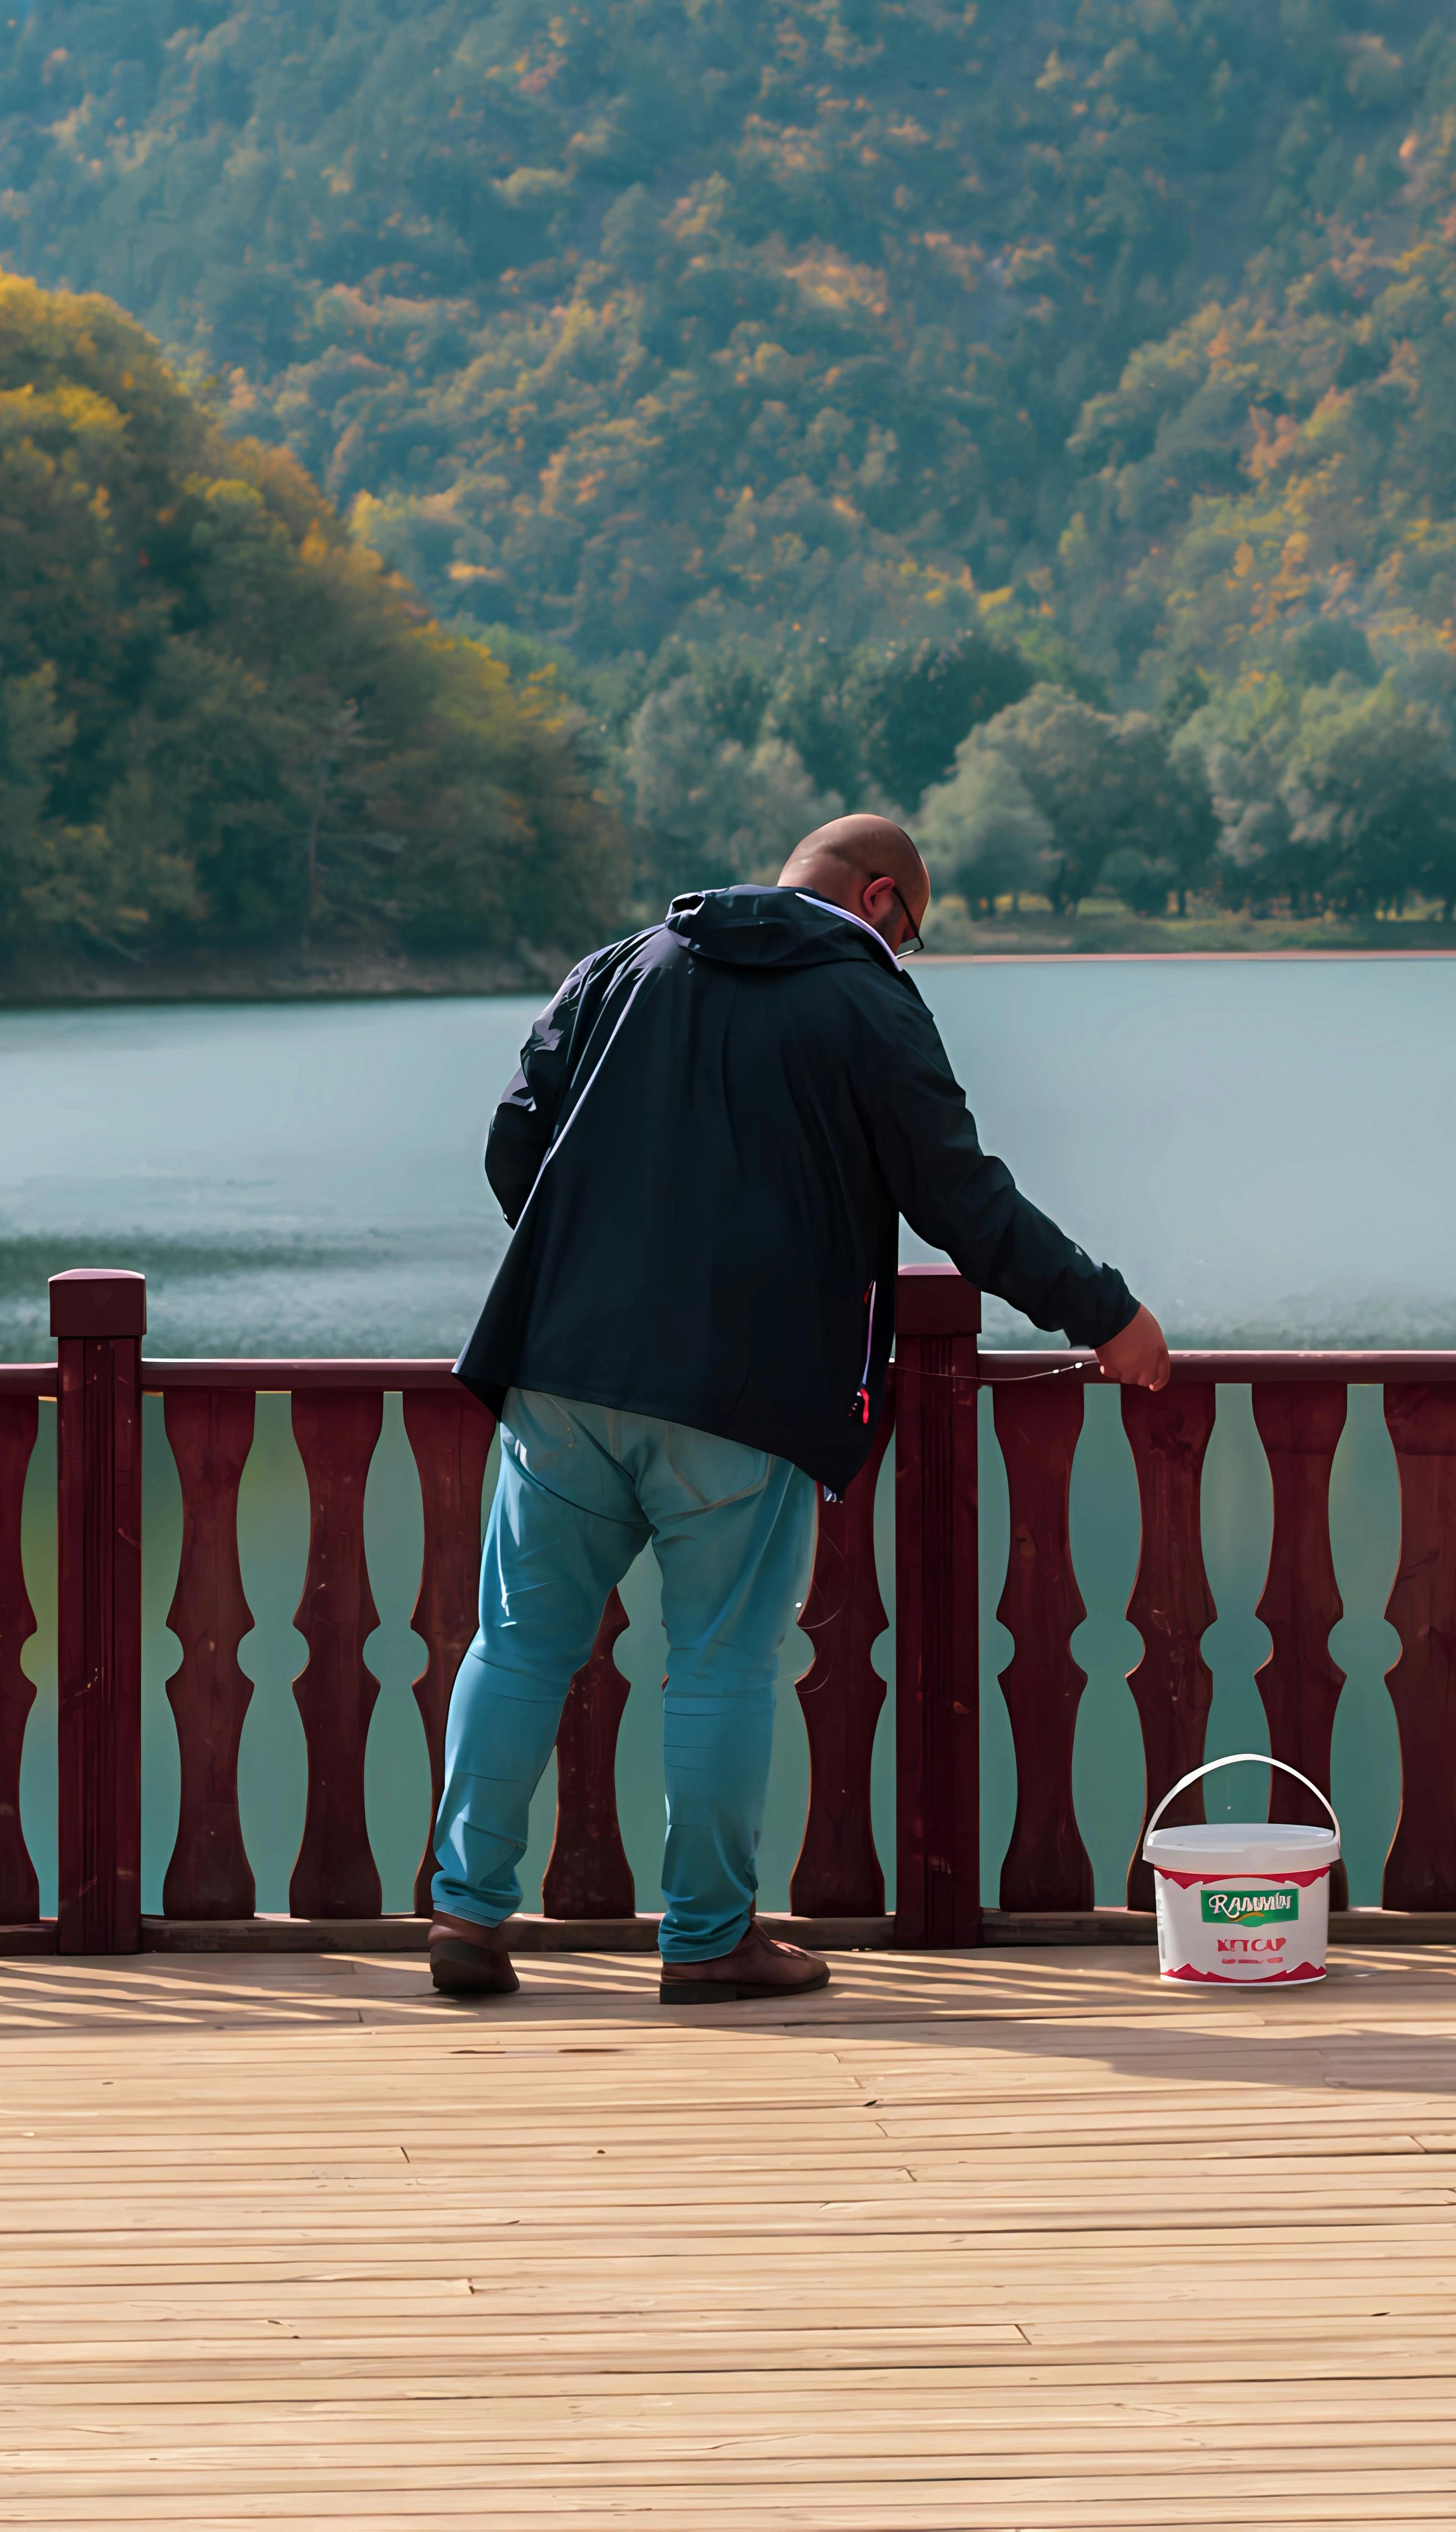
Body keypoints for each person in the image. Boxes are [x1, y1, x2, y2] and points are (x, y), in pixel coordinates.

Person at [426, 809, 1170, 2005]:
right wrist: (1107, 1314)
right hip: (744, 1395)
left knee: (517, 1646)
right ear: (879, 898)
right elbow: (963, 1204)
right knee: (718, 1667)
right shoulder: (867, 1007)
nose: (905, 955)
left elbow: (514, 1140)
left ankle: (466, 1916)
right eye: (912, 932)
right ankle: (708, 1940)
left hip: (561, 1377)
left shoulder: (623, 966)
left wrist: (594, 1280)